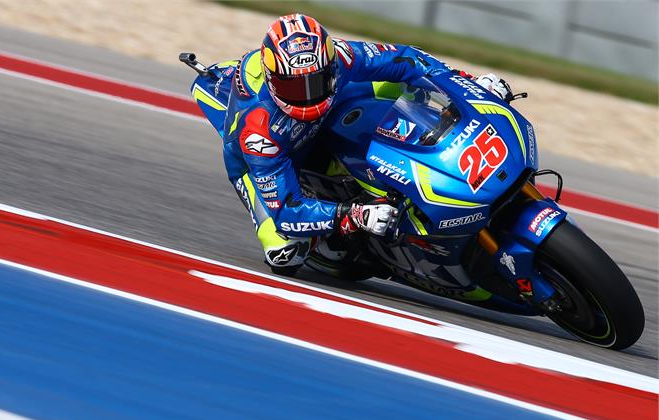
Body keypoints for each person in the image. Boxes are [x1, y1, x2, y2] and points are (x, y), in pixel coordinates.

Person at [219, 13, 512, 274]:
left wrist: (465, 84)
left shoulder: (340, 57)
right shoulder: (258, 133)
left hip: (335, 107)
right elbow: (286, 211)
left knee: (402, 83)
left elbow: (406, 59)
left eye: (317, 81)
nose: (309, 96)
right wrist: (351, 215)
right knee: (286, 252)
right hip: (265, 159)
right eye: (295, 87)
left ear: (329, 65)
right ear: (273, 81)